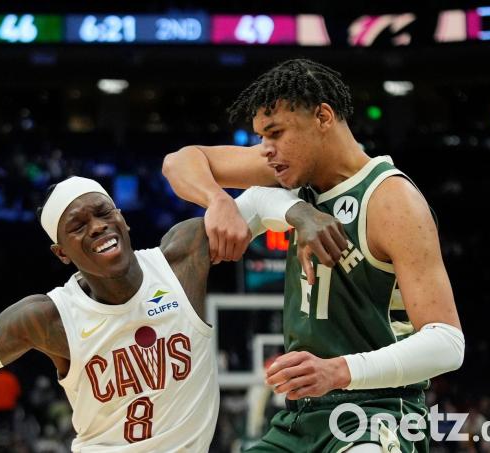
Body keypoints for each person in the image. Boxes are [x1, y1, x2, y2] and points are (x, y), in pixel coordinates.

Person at [0, 176, 342, 452]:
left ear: (122, 218)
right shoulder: (46, 317)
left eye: (102, 214)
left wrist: (301, 214)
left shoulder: (182, 258)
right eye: (77, 227)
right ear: (61, 253)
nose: (96, 227)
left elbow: (253, 202)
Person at [162, 59, 465, 452]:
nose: (266, 152)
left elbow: (447, 343)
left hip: (378, 413)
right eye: (260, 138)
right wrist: (217, 199)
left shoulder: (392, 200)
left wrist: (338, 371)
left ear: (322, 116)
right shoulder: (288, 177)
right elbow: (179, 162)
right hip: (299, 419)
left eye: (276, 134)